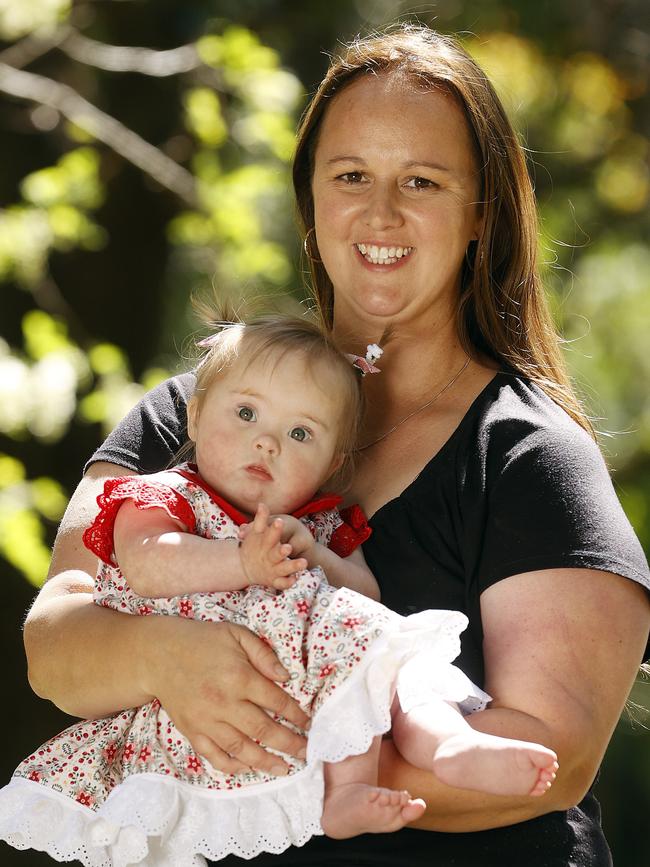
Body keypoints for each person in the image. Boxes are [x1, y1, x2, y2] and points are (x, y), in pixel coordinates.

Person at [14, 22, 650, 867]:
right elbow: (55, 642)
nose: (380, 213)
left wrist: (281, 766)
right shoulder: (186, 416)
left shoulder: (527, 455)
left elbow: (555, 754)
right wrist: (161, 654)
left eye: (421, 182)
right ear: (312, 196)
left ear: (479, 216)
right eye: (351, 176)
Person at [0, 316, 558, 864]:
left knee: (395, 660)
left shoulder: (318, 525)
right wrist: (240, 559)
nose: (266, 442)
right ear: (193, 417)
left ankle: (442, 745)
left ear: (333, 462)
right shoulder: (163, 497)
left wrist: (317, 557)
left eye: (300, 434)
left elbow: (367, 596)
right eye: (246, 414)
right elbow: (148, 566)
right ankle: (354, 784)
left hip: (310, 665)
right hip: (214, 687)